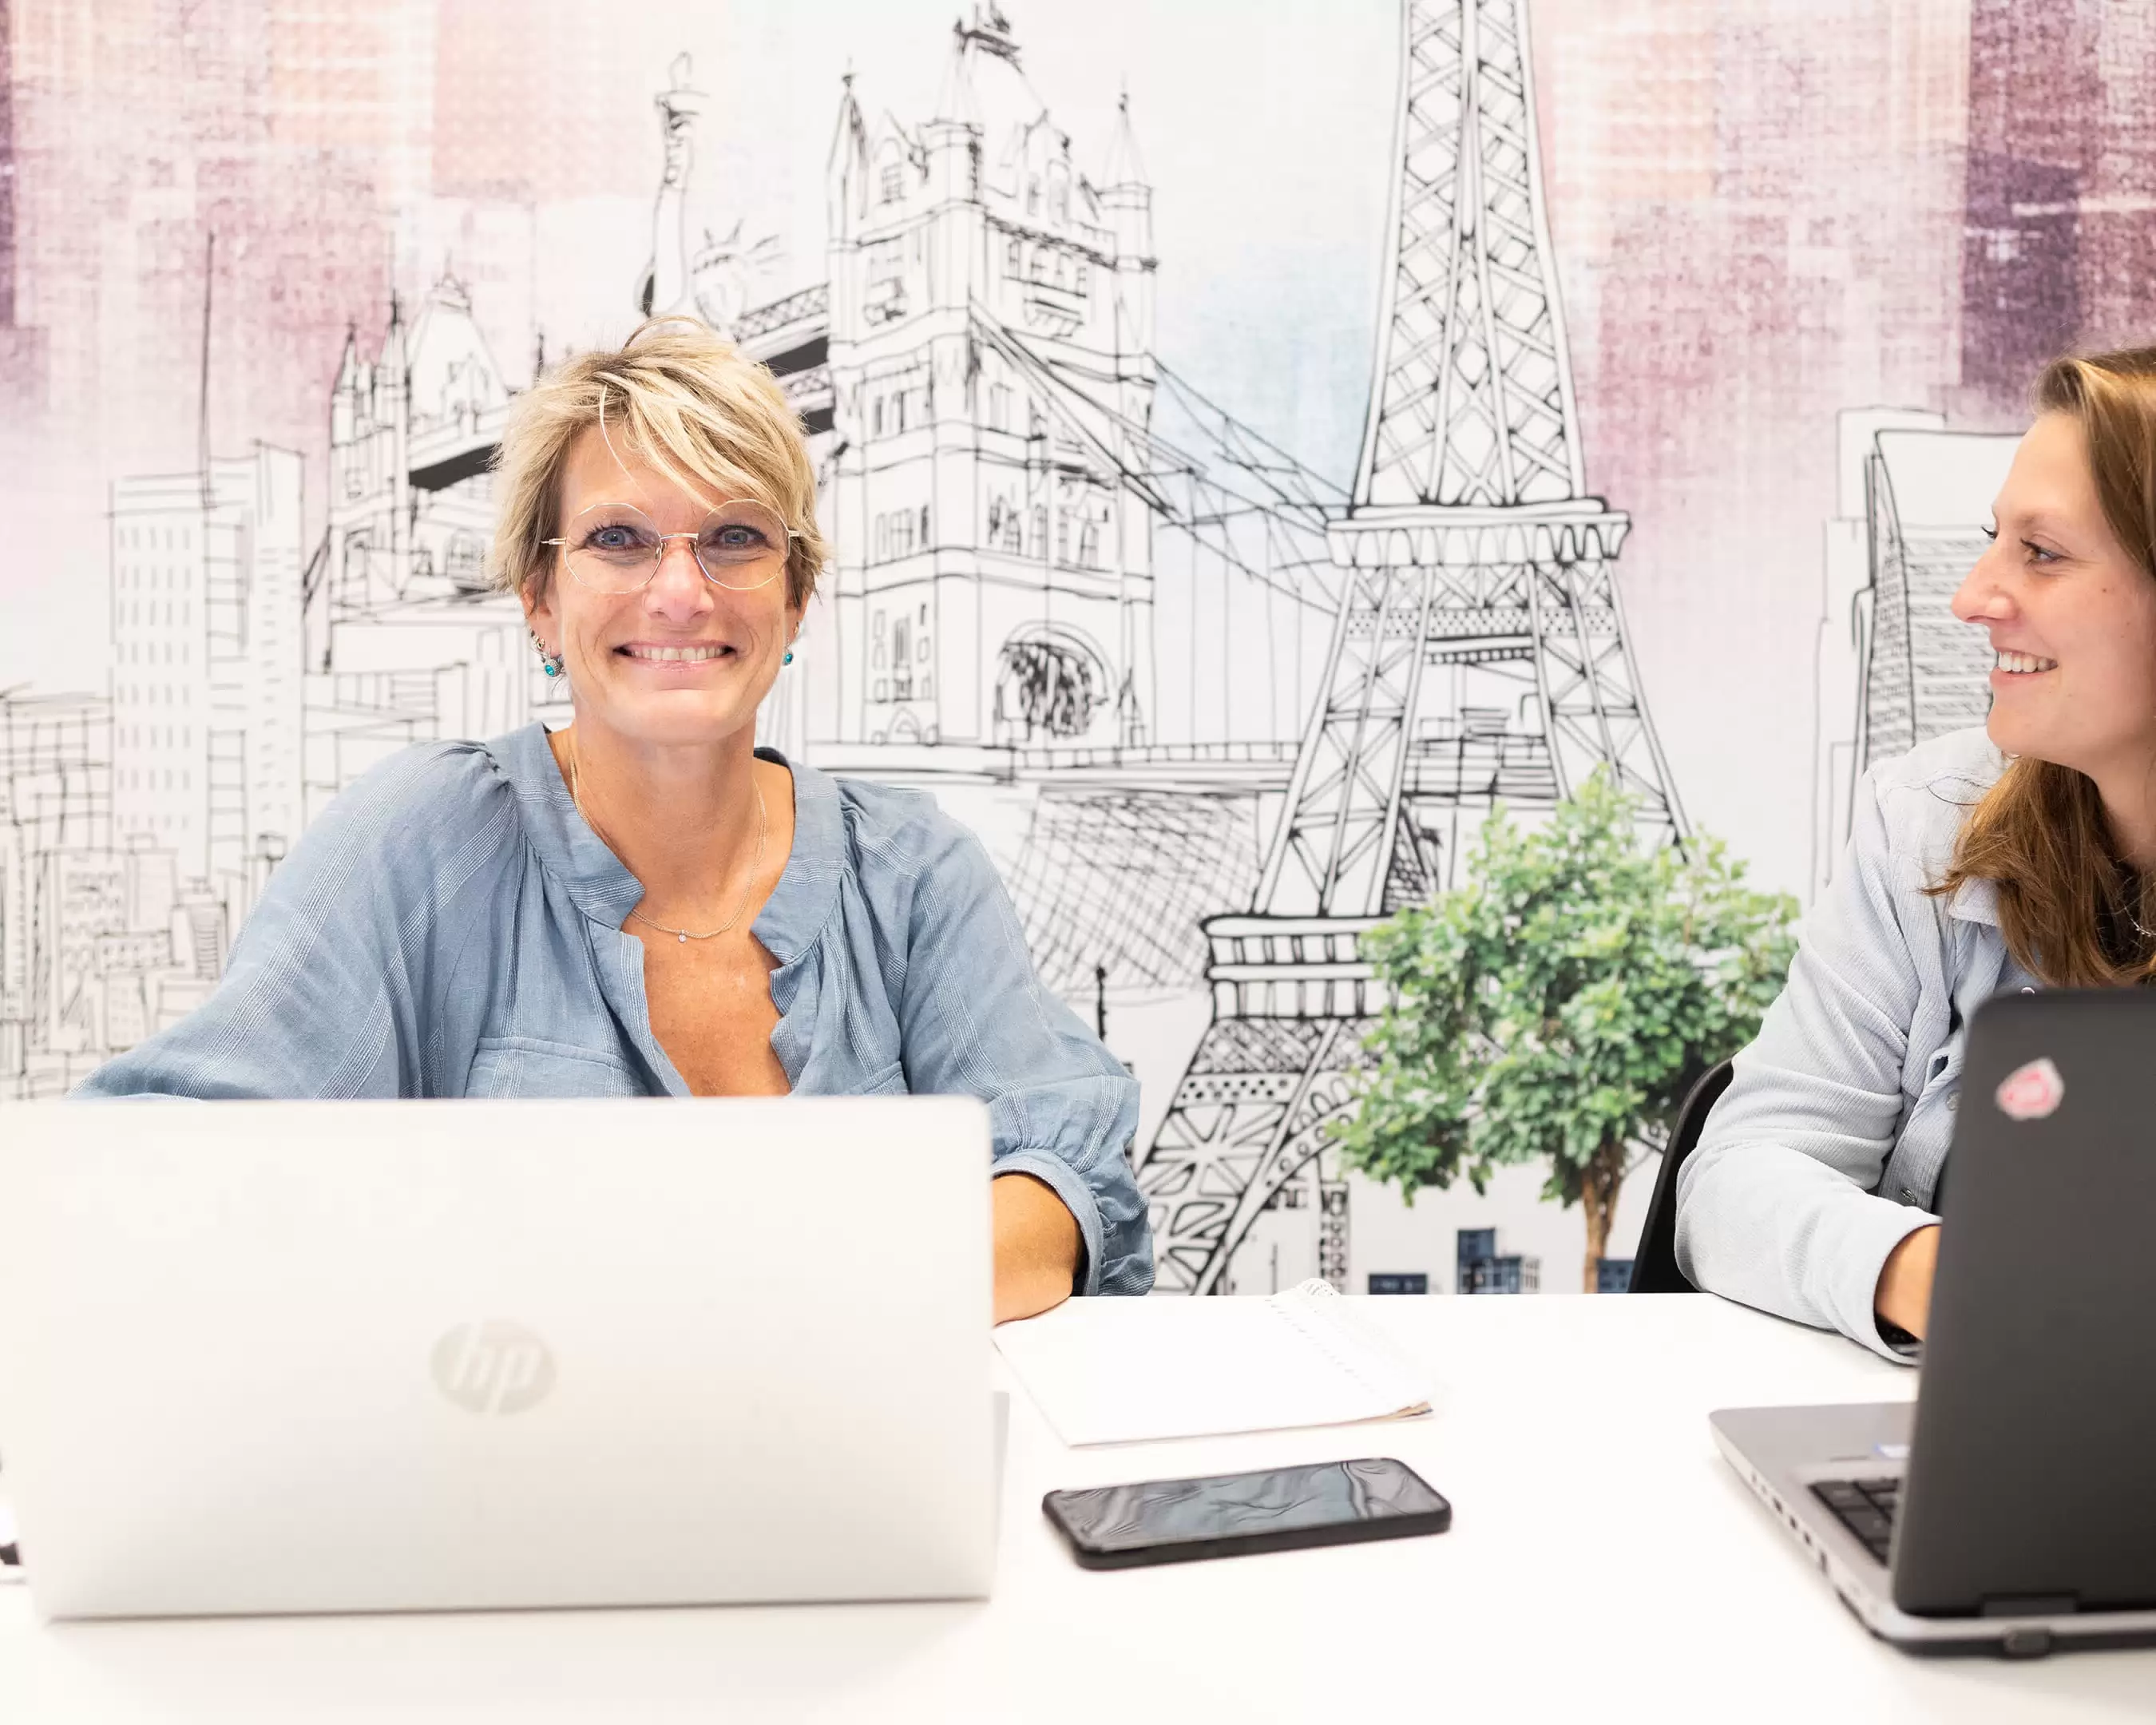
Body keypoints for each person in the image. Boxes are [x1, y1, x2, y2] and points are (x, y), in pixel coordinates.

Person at [79, 316, 1154, 1322]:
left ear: (794, 602)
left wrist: (719, 1303)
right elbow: (151, 1167)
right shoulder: (418, 842)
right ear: (540, 601)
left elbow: (1060, 1182)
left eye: (733, 537)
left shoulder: (913, 872)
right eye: (620, 539)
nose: (681, 591)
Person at [1677, 347, 2156, 1358]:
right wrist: (1931, 1272)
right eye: (1995, 541)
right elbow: (1738, 1175)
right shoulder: (1932, 819)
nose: (1973, 597)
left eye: (2043, 552)